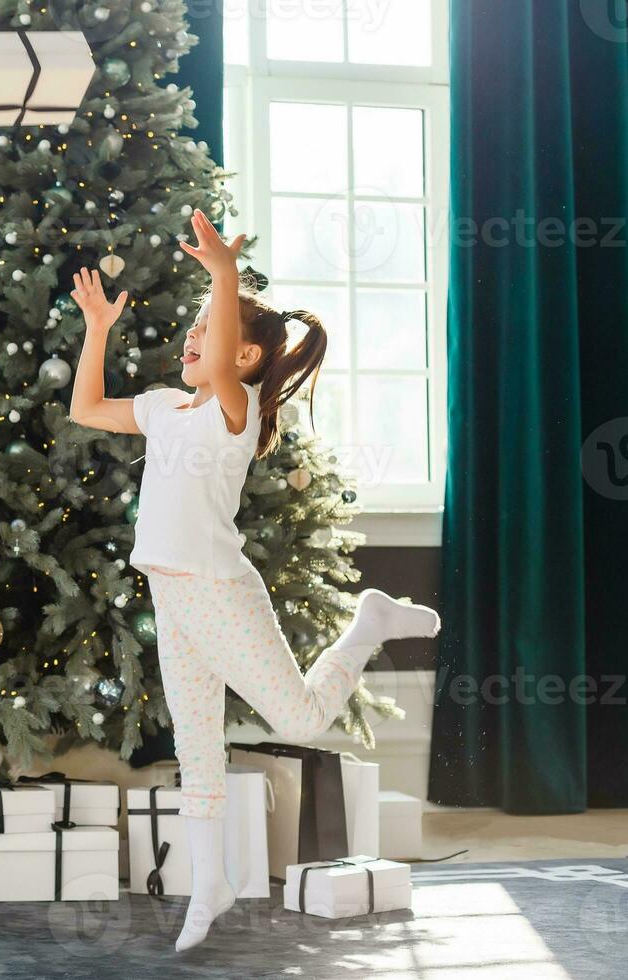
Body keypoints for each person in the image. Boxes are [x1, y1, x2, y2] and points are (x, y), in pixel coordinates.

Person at [68, 211, 440, 951]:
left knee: (299, 721)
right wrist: (98, 328)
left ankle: (366, 622)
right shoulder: (167, 409)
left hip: (219, 594)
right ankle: (209, 882)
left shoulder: (234, 417)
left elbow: (227, 353)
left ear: (240, 356)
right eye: (194, 325)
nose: (192, 337)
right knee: (196, 745)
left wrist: (223, 275)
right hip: (171, 596)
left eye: (207, 329)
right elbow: (84, 407)